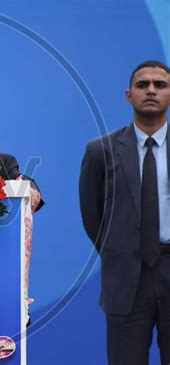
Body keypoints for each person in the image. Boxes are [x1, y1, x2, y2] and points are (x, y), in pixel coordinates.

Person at [79, 60, 170, 364]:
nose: (151, 90)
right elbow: (92, 214)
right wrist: (118, 251)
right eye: (143, 85)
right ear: (128, 95)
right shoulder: (100, 151)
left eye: (160, 85)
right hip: (126, 279)